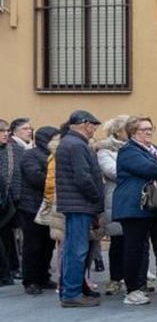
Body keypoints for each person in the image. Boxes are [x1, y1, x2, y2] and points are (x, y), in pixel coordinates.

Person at [113, 115, 157, 306]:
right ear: (133, 132)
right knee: (135, 249)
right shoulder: (128, 151)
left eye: (150, 128)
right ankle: (133, 289)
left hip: (156, 206)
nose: (148, 132)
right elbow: (153, 170)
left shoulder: (153, 149)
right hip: (134, 207)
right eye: (143, 129)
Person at [55, 110, 106, 308]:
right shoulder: (76, 145)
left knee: (72, 248)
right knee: (77, 249)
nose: (94, 129)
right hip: (80, 204)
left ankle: (73, 290)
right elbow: (83, 177)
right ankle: (72, 293)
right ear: (85, 124)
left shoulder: (69, 142)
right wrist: (95, 198)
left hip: (75, 203)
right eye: (93, 125)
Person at [17, 126, 58, 295]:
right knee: (33, 245)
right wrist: (56, 180)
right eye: (54, 138)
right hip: (32, 206)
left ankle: (43, 276)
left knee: (48, 244)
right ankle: (31, 280)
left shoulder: (53, 155)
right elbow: (36, 178)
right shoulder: (30, 155)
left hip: (48, 205)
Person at [94, 115, 130, 297]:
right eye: (128, 129)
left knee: (136, 240)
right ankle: (115, 278)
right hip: (115, 199)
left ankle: (135, 275)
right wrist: (136, 167)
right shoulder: (105, 150)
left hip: (134, 198)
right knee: (118, 240)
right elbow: (112, 171)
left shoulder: (137, 147)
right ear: (117, 131)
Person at [0, 119, 20, 285]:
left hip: (7, 202)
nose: (5, 134)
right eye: (1, 131)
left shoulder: (12, 150)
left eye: (7, 131)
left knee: (7, 238)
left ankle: (9, 271)